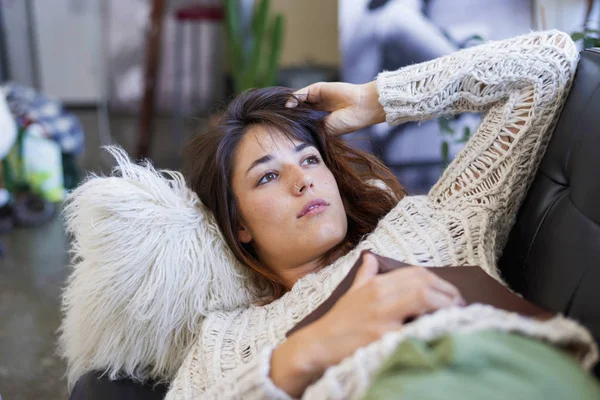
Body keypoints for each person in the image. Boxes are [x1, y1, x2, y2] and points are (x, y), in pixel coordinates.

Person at [59, 30, 598, 398]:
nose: (302, 179)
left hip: (497, 375)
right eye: (267, 175)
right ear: (239, 225)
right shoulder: (230, 338)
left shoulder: (436, 218)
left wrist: (377, 99)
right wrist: (307, 352)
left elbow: (547, 63)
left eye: (310, 158)